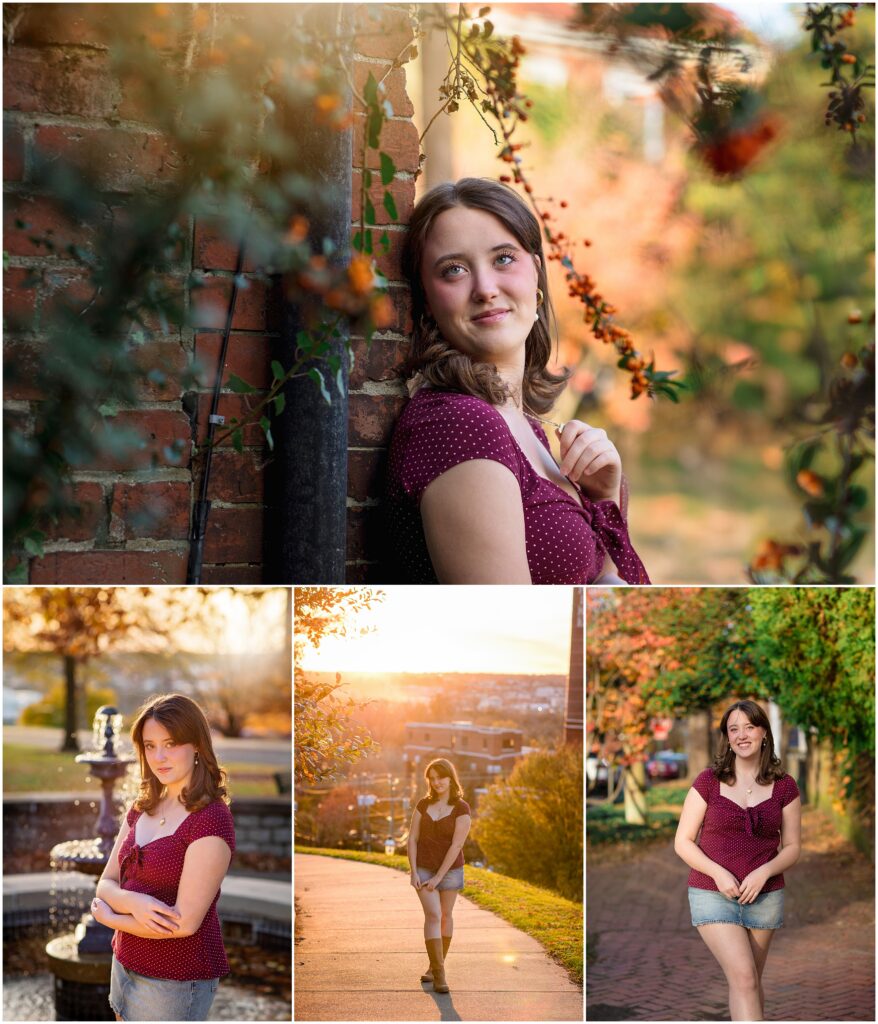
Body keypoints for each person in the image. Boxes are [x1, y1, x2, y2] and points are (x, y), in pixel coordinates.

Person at [386, 176, 649, 585]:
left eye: (504, 258)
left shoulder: (524, 425)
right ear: (427, 299)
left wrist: (604, 495)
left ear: (537, 275)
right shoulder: (458, 425)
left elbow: (608, 595)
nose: (486, 289)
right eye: (453, 270)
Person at [93, 694, 236, 1022]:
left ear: (196, 744)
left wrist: (111, 917)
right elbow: (106, 882)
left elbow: (183, 924)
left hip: (174, 978)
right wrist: (135, 903)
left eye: (170, 744)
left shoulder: (209, 820)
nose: (159, 756)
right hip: (124, 960)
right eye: (149, 745)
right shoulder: (142, 805)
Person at [674, 699, 801, 1021]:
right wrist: (718, 873)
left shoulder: (785, 786)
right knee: (744, 977)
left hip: (765, 895)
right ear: (727, 738)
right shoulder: (707, 782)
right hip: (712, 893)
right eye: (734, 729)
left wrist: (764, 872)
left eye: (749, 726)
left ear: (763, 733)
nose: (742, 735)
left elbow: (793, 847)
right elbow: (683, 842)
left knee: (749, 982)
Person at [407, 758, 472, 994]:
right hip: (423, 867)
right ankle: (440, 976)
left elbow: (456, 846)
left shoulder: (462, 808)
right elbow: (412, 839)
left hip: (451, 869)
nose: (436, 783)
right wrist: (414, 871)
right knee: (433, 914)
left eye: (440, 778)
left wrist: (438, 879)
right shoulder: (423, 805)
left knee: (446, 915)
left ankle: (434, 967)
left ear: (450, 778)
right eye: (431, 779)